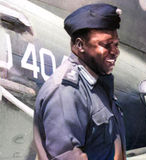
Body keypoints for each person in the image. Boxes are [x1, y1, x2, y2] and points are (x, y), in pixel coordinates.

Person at [33, 3, 126, 160]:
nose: (115, 52)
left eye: (116, 45)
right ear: (80, 45)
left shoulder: (98, 86)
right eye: (106, 45)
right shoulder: (65, 91)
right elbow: (65, 154)